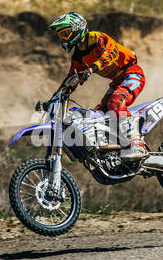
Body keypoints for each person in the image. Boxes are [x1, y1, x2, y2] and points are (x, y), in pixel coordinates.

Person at [46, 12, 148, 161]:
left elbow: (110, 53)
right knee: (98, 116)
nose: (63, 39)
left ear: (77, 28)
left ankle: (137, 145)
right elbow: (71, 78)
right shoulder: (78, 57)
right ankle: (113, 150)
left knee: (116, 102)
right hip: (117, 82)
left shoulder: (97, 38)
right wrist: (55, 98)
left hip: (132, 73)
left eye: (66, 33)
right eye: (61, 36)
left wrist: (92, 68)